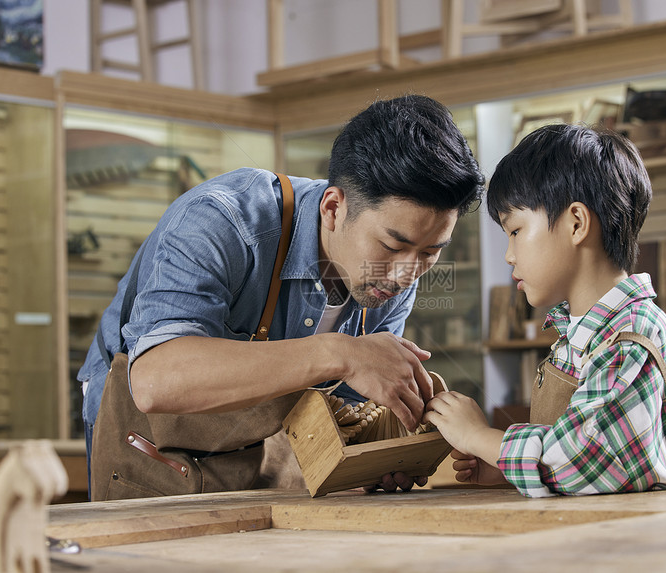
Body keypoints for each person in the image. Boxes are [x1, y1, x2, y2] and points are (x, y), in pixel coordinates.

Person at [79, 94, 484, 496]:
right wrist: (338, 354)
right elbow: (155, 381)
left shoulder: (387, 280)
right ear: (333, 208)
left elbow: (343, 413)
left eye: (431, 251)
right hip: (147, 447)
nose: (403, 274)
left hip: (265, 455)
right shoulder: (222, 222)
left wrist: (379, 457)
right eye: (392, 246)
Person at [425, 123, 666, 497]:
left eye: (515, 231)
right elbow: (576, 452)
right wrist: (506, 467)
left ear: (577, 223)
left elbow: (581, 462)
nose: (509, 254)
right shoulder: (579, 333)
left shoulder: (630, 336)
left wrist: (480, 437)